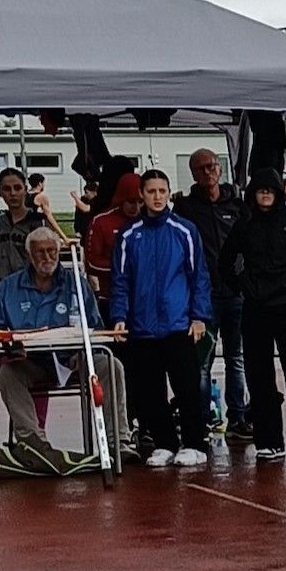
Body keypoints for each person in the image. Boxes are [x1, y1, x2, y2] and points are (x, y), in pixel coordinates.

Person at [0, 227, 135, 468]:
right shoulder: (8, 288)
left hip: (74, 360)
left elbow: (95, 325)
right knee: (8, 374)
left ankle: (118, 440)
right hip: (33, 362)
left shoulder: (76, 283)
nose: (47, 257)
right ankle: (32, 442)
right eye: (41, 252)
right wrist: (11, 346)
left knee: (110, 365)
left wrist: (86, 351)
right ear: (29, 256)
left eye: (52, 251)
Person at [218, 168, 286, 460]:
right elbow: (225, 261)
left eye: (270, 189)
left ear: (278, 193)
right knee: (259, 376)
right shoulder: (245, 226)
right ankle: (268, 440)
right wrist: (241, 286)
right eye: (260, 189)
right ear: (253, 193)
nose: (265, 194)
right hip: (255, 310)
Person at [111, 170, 213, 468]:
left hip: (178, 324)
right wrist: (119, 316)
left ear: (169, 194)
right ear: (141, 195)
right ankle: (164, 442)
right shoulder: (129, 236)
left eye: (162, 191)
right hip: (142, 328)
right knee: (149, 390)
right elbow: (121, 280)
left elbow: (199, 277)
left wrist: (198, 316)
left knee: (187, 387)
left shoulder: (185, 231)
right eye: (151, 191)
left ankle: (195, 442)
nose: (157, 197)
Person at [173, 148, 252, 441]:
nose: (208, 172)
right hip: (202, 298)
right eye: (201, 168)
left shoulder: (239, 206)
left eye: (212, 166)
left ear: (220, 169)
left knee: (236, 357)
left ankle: (238, 418)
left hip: (236, 294)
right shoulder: (185, 209)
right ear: (193, 174)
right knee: (202, 360)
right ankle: (201, 418)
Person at [85, 173, 143, 323]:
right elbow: (91, 263)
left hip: (145, 300)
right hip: (110, 298)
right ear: (121, 198)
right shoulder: (102, 221)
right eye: (131, 201)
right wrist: (125, 269)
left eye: (140, 202)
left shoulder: (149, 221)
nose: (136, 207)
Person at [0, 168, 48, 290]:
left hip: (28, 288)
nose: (13, 193)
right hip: (1, 288)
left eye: (17, 188)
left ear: (25, 189)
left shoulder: (36, 222)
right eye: (7, 189)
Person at [27, 173, 69, 241]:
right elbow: (49, 217)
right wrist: (63, 236)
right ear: (40, 184)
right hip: (35, 227)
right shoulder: (41, 196)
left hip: (24, 226)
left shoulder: (25, 195)